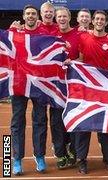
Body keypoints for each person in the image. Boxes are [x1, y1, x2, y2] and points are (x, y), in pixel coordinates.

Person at [76, 10, 108, 174]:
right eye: (97, 19)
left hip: (105, 90)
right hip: (86, 88)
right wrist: (71, 63)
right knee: (84, 125)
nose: (100, 21)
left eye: (103, 19)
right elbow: (80, 59)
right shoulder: (83, 37)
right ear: (93, 21)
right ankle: (81, 159)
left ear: (106, 22)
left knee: (106, 125)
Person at [11, 4, 48, 175]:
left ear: (37, 16)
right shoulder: (15, 33)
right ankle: (14, 159)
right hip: (19, 83)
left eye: (33, 13)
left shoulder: (44, 34)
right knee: (17, 122)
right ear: (23, 16)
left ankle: (39, 156)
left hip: (39, 84)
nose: (31, 16)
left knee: (40, 120)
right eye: (28, 14)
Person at [54, 6, 82, 169]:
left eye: (65, 16)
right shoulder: (50, 34)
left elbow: (83, 56)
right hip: (55, 86)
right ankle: (61, 153)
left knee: (73, 118)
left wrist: (74, 61)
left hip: (74, 86)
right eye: (59, 17)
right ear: (56, 19)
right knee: (57, 121)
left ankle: (73, 151)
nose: (62, 19)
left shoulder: (79, 35)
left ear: (70, 17)